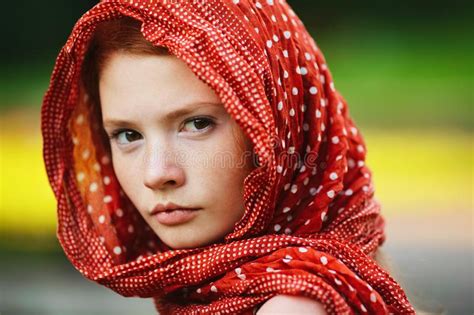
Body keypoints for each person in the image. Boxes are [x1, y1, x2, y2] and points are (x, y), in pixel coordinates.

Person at [41, 1, 416, 314]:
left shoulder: (291, 306)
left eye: (197, 123)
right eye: (128, 135)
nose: (157, 174)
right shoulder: (220, 290)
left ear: (284, 125)